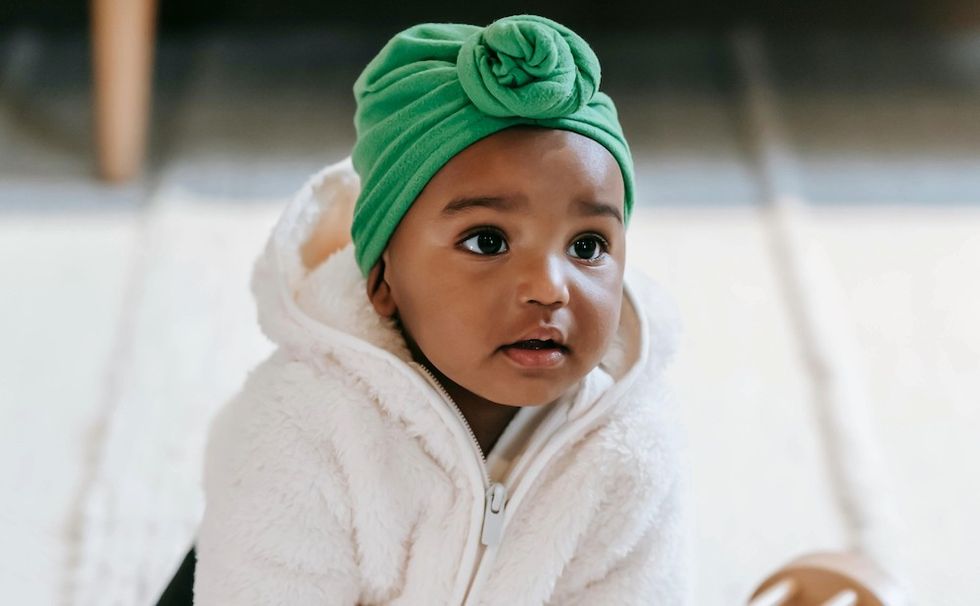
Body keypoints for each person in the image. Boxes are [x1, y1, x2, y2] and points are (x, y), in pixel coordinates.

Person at [191, 14, 692, 605]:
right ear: (383, 281)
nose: (549, 288)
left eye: (587, 247)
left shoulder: (628, 447)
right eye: (488, 241)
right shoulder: (303, 426)